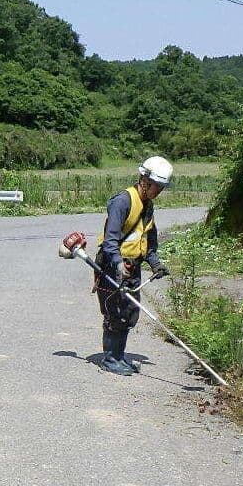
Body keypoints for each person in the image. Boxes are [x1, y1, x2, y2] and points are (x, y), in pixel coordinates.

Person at [93, 156, 173, 376]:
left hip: (133, 267)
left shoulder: (148, 206)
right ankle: (110, 358)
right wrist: (118, 264)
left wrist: (155, 263)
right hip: (112, 266)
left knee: (129, 314)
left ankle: (119, 356)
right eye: (157, 186)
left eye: (162, 187)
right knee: (115, 313)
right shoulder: (123, 201)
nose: (159, 191)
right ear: (144, 179)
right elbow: (110, 241)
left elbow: (149, 242)